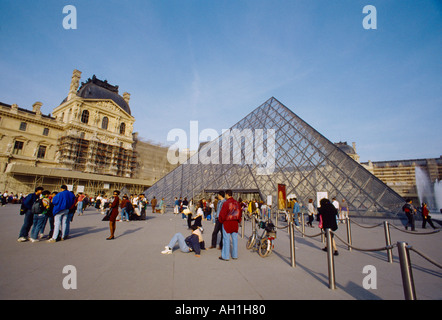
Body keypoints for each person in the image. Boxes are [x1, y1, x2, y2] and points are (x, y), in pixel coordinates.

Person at [218, 190, 242, 261]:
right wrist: (238, 221)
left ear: (227, 194)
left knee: (226, 239)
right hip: (235, 223)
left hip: (227, 223)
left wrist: (221, 221)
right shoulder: (237, 203)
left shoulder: (226, 203)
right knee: (234, 239)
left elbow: (222, 214)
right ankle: (235, 255)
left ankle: (226, 256)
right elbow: (239, 213)